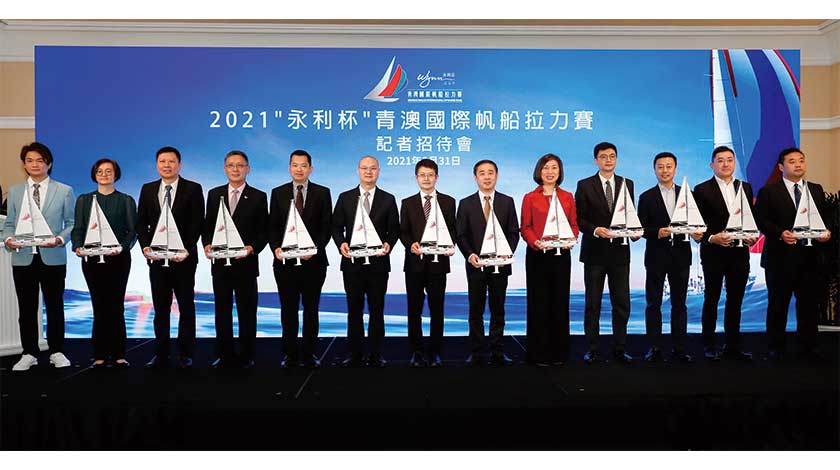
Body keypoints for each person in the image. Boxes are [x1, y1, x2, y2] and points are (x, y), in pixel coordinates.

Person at [754, 147, 832, 361]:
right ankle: (776, 348)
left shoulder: (815, 189)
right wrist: (780, 233)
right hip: (779, 259)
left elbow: (822, 219)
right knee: (778, 305)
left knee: (808, 305)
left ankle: (809, 347)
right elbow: (761, 220)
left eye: (801, 160)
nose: (798, 164)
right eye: (792, 161)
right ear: (781, 167)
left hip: (809, 258)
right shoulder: (769, 191)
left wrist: (825, 233)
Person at [4, 142, 75, 372]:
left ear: (49, 164)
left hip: (52, 256)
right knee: (26, 309)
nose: (35, 164)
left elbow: (72, 223)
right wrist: (8, 239)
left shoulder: (64, 190)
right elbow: (10, 223)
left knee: (55, 306)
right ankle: (29, 353)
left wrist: (60, 239)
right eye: (30, 160)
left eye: (40, 160)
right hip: (23, 257)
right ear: (24, 164)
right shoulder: (15, 191)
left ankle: (57, 351)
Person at [137, 146, 204, 369]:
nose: (167, 165)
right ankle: (161, 353)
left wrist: (184, 249)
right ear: (157, 164)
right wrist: (146, 247)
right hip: (157, 259)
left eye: (171, 161)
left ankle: (186, 353)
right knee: (160, 308)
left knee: (186, 306)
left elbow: (197, 222)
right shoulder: (147, 189)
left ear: (179, 165)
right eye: (162, 161)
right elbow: (141, 222)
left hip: (184, 259)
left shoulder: (193, 188)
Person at [202, 150, 267, 369]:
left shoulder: (258, 196)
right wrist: (207, 244)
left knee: (247, 311)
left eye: (240, 165)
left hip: (246, 264)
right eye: (231, 165)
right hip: (221, 264)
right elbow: (207, 226)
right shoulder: (214, 194)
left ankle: (247, 354)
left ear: (248, 169)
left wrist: (252, 248)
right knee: (222, 311)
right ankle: (224, 354)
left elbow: (264, 231)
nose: (235, 169)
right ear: (225, 169)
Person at [332, 156, 399, 367]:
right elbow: (336, 227)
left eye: (372, 168)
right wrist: (341, 243)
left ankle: (376, 353)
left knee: (377, 310)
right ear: (358, 171)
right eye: (364, 168)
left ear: (378, 171)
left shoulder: (388, 199)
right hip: (352, 264)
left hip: (379, 264)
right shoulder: (345, 198)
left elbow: (394, 229)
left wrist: (388, 244)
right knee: (354, 310)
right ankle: (355, 354)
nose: (368, 172)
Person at [575, 142, 639, 364]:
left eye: (612, 156)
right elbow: (579, 218)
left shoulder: (627, 183)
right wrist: (595, 230)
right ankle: (592, 349)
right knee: (593, 304)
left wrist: (634, 232)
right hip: (594, 253)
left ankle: (620, 348)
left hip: (620, 253)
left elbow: (630, 216)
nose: (608, 160)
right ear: (596, 160)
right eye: (603, 156)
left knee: (621, 303)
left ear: (616, 159)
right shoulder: (584, 185)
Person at [71, 158, 137, 368]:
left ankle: (119, 354)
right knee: (98, 306)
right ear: (94, 174)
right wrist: (77, 246)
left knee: (116, 306)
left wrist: (121, 248)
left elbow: (132, 231)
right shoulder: (84, 200)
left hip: (118, 260)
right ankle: (99, 354)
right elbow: (78, 229)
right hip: (91, 260)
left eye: (109, 171)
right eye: (100, 171)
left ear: (116, 174)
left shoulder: (126, 200)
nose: (104, 175)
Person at [269, 149, 332, 369]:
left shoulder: (322, 193)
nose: (299, 169)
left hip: (314, 262)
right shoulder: (278, 193)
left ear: (310, 169)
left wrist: (314, 249)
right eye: (295, 165)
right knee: (288, 310)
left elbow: (326, 227)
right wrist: (276, 248)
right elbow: (273, 226)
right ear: (289, 168)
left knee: (311, 309)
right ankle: (289, 354)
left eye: (303, 165)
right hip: (285, 263)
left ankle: (310, 353)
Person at [693, 145, 756, 361]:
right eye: (720, 160)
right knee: (711, 298)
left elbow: (750, 219)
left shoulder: (745, 188)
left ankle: (733, 346)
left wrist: (751, 236)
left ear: (734, 163)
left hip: (739, 253)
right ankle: (709, 345)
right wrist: (712, 237)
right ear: (712, 165)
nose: (725, 164)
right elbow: (697, 225)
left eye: (729, 159)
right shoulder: (701, 190)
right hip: (713, 253)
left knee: (735, 300)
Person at [455, 159, 520, 366]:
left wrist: (506, 254)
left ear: (496, 176)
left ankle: (497, 350)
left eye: (490, 172)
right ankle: (477, 352)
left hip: (501, 266)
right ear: (475, 177)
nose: (487, 176)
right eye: (482, 173)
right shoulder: (465, 203)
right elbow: (461, 234)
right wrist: (469, 254)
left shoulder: (507, 201)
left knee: (498, 309)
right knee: (475, 310)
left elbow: (514, 232)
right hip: (476, 265)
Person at [636, 152, 698, 363]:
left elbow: (696, 224)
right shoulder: (646, 197)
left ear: (675, 169)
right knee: (653, 304)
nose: (665, 170)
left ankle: (679, 349)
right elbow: (640, 229)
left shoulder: (687, 195)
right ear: (654, 170)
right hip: (656, 256)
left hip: (681, 257)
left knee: (679, 304)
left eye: (669, 166)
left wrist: (698, 233)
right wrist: (657, 232)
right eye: (660, 166)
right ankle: (654, 348)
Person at [520, 153, 578, 366]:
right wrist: (536, 242)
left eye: (554, 167)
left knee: (560, 302)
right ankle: (538, 354)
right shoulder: (530, 197)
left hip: (561, 256)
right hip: (537, 255)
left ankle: (559, 354)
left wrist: (572, 239)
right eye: (546, 167)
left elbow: (574, 224)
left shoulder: (567, 197)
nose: (550, 172)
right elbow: (525, 227)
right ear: (539, 171)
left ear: (560, 171)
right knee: (538, 303)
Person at [399, 158, 457, 368]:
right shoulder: (407, 203)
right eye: (422, 175)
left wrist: (450, 245)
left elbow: (453, 229)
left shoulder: (448, 202)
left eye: (430, 175)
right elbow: (403, 231)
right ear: (416, 178)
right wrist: (410, 244)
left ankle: (435, 351)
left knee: (437, 309)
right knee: (414, 309)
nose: (426, 179)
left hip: (438, 264)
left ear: (436, 177)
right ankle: (416, 351)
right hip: (414, 264)